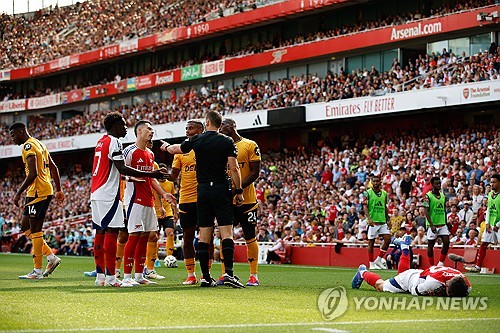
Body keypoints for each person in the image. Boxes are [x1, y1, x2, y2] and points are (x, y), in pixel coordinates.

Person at [161, 110, 245, 288]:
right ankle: (228, 274)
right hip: (221, 188)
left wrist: (166, 147)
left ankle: (205, 277)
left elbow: (177, 149)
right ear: (219, 125)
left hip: (203, 190)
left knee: (204, 234)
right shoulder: (227, 141)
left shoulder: (197, 140)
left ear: (207, 123)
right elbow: (234, 168)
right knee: (226, 233)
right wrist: (238, 191)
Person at [90, 112, 169, 287]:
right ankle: (112, 278)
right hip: (109, 194)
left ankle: (101, 277)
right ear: (116, 126)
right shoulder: (116, 142)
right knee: (111, 234)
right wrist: (150, 174)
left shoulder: (101, 141)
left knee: (101, 233)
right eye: (124, 125)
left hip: (97, 192)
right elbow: (122, 168)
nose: (126, 128)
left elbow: (116, 171)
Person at [121, 120, 177, 286]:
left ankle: (139, 275)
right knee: (134, 236)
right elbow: (118, 172)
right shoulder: (129, 151)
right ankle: (125, 277)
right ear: (139, 131)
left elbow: (151, 179)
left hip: (149, 200)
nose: (152, 132)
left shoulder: (151, 155)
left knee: (146, 237)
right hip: (134, 200)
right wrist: (131, 177)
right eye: (149, 129)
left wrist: (164, 193)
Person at [9, 122, 66, 279]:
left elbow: (33, 173)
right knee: (25, 226)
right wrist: (58, 189)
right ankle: (51, 257)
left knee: (35, 229)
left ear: (21, 132)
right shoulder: (39, 143)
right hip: (38, 190)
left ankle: (37, 270)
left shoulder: (28, 146)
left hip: (38, 191)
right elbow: (53, 167)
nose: (13, 139)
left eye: (13, 135)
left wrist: (18, 193)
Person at [352, 235, 471, 297]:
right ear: (447, 283)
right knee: (381, 286)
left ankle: (405, 248)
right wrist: (437, 293)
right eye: (447, 292)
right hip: (410, 281)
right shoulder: (434, 283)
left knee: (403, 272)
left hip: (419, 274)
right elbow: (414, 291)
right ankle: (362, 272)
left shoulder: (466, 284)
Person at [219, 117, 261, 286]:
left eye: (224, 125)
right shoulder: (221, 147)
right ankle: (225, 274)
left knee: (250, 236)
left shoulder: (250, 144)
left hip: (248, 200)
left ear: (233, 126)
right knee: (225, 236)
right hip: (227, 200)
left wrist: (238, 188)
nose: (221, 128)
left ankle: (254, 276)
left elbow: (255, 172)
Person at [169, 119, 204, 285]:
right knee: (188, 237)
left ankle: (206, 273)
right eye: (186, 128)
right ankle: (191, 274)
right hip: (186, 199)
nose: (187, 131)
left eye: (190, 128)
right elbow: (173, 176)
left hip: (205, 198)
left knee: (207, 237)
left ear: (200, 130)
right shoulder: (180, 151)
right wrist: (156, 174)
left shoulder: (206, 148)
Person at [143, 161, 177, 280]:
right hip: (155, 212)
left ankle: (169, 257)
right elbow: (155, 195)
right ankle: (154, 259)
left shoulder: (170, 184)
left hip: (168, 212)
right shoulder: (154, 182)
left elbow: (173, 198)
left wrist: (175, 212)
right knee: (154, 236)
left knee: (170, 233)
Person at [465, 174, 500, 273]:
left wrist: (497, 225)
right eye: (491, 182)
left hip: (498, 225)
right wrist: (488, 222)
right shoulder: (490, 194)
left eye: (494, 182)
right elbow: (489, 209)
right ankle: (478, 266)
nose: (492, 184)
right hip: (490, 225)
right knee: (483, 244)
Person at [363, 175, 391, 269]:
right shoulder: (367, 193)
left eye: (377, 181)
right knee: (371, 242)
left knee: (388, 239)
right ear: (372, 182)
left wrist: (388, 219)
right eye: (374, 181)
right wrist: (369, 218)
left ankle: (378, 260)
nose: (375, 183)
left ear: (380, 182)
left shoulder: (384, 193)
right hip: (373, 221)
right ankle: (371, 263)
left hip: (382, 220)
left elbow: (385, 207)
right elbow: (365, 206)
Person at [423, 176, 450, 267]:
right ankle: (431, 266)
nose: (439, 185)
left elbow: (444, 209)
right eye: (436, 184)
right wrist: (431, 225)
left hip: (442, 224)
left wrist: (446, 221)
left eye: (439, 183)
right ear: (432, 185)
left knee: (446, 243)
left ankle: (440, 263)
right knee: (430, 245)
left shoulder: (442, 196)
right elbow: (426, 210)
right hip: (432, 225)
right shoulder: (427, 196)